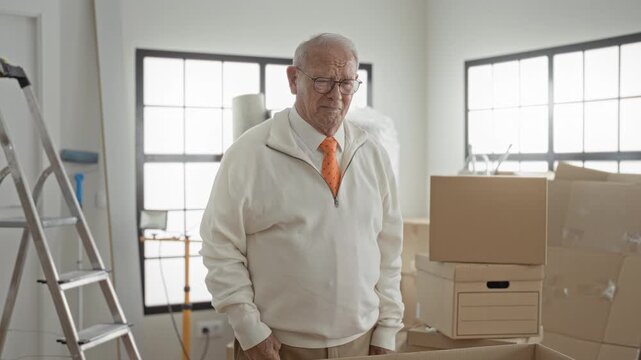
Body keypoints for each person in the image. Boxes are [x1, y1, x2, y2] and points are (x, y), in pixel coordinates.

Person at [200, 33, 403, 360]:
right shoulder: (249, 154)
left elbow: (390, 249)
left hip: (361, 342)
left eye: (347, 83)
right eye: (323, 81)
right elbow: (219, 246)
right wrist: (250, 331)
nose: (336, 96)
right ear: (294, 80)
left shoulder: (373, 154)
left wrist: (388, 330)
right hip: (277, 347)